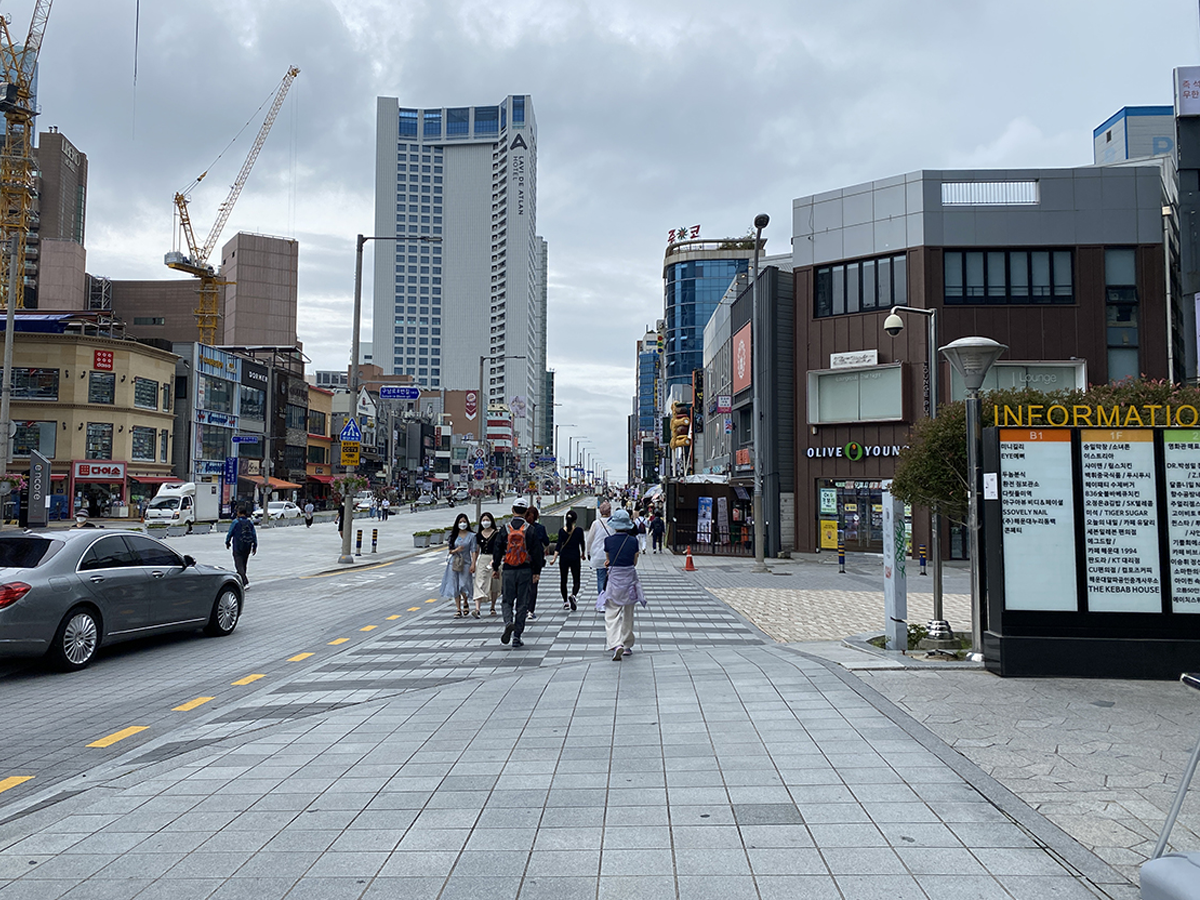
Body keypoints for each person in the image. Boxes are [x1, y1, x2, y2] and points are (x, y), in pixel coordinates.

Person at [492, 497, 544, 649]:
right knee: (522, 604)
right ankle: (517, 636)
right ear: (526, 511)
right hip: (525, 570)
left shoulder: (505, 529)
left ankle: (509, 622)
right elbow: (537, 552)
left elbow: (497, 549)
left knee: (507, 600)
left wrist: (495, 568)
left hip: (508, 569)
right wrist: (536, 571)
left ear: (512, 510)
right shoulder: (530, 529)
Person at [597, 508, 646, 661]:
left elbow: (608, 560)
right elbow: (634, 562)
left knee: (611, 614)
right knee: (628, 614)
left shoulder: (608, 541)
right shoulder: (633, 541)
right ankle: (627, 644)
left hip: (614, 581)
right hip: (629, 580)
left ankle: (615, 643)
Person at [440, 513, 477, 618]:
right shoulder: (453, 536)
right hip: (454, 563)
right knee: (455, 585)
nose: (462, 524)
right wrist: (457, 550)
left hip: (466, 563)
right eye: (460, 522)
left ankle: (465, 601)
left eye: (464, 522)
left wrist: (473, 563)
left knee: (463, 584)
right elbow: (450, 550)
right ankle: (458, 609)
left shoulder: (472, 536)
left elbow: (473, 550)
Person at [549, 509, 585, 611]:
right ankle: (573, 595)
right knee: (576, 580)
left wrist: (554, 558)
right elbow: (582, 543)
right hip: (575, 557)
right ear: (575, 520)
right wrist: (583, 553)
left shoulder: (561, 531)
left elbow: (558, 546)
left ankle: (565, 602)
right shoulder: (579, 530)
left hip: (564, 558)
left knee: (563, 580)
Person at [524, 506, 551, 620]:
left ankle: (524, 607)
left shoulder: (522, 528)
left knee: (524, 584)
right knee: (534, 583)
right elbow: (546, 541)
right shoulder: (540, 528)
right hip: (536, 559)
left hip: (523, 559)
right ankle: (530, 610)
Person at [472, 512, 501, 617]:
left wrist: (496, 560)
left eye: (487, 520)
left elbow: (500, 548)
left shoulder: (497, 534)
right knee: (479, 582)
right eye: (483, 520)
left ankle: (492, 606)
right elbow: (476, 550)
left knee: (494, 583)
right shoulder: (478, 535)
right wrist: (473, 563)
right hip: (483, 559)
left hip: (495, 558)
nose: (485, 522)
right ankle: (477, 609)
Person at [585, 499, 613, 596]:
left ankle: (601, 600)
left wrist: (588, 552)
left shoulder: (595, 523)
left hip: (598, 555)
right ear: (609, 511)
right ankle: (609, 598)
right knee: (611, 578)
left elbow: (589, 539)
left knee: (601, 578)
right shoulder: (613, 523)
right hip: (611, 555)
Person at [225, 506, 258, 587]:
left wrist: (227, 542)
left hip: (238, 546)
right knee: (243, 564)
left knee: (238, 565)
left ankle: (245, 582)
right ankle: (242, 582)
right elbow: (254, 534)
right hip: (247, 546)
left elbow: (230, 533)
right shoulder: (250, 522)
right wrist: (254, 546)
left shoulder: (235, 522)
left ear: (239, 513)